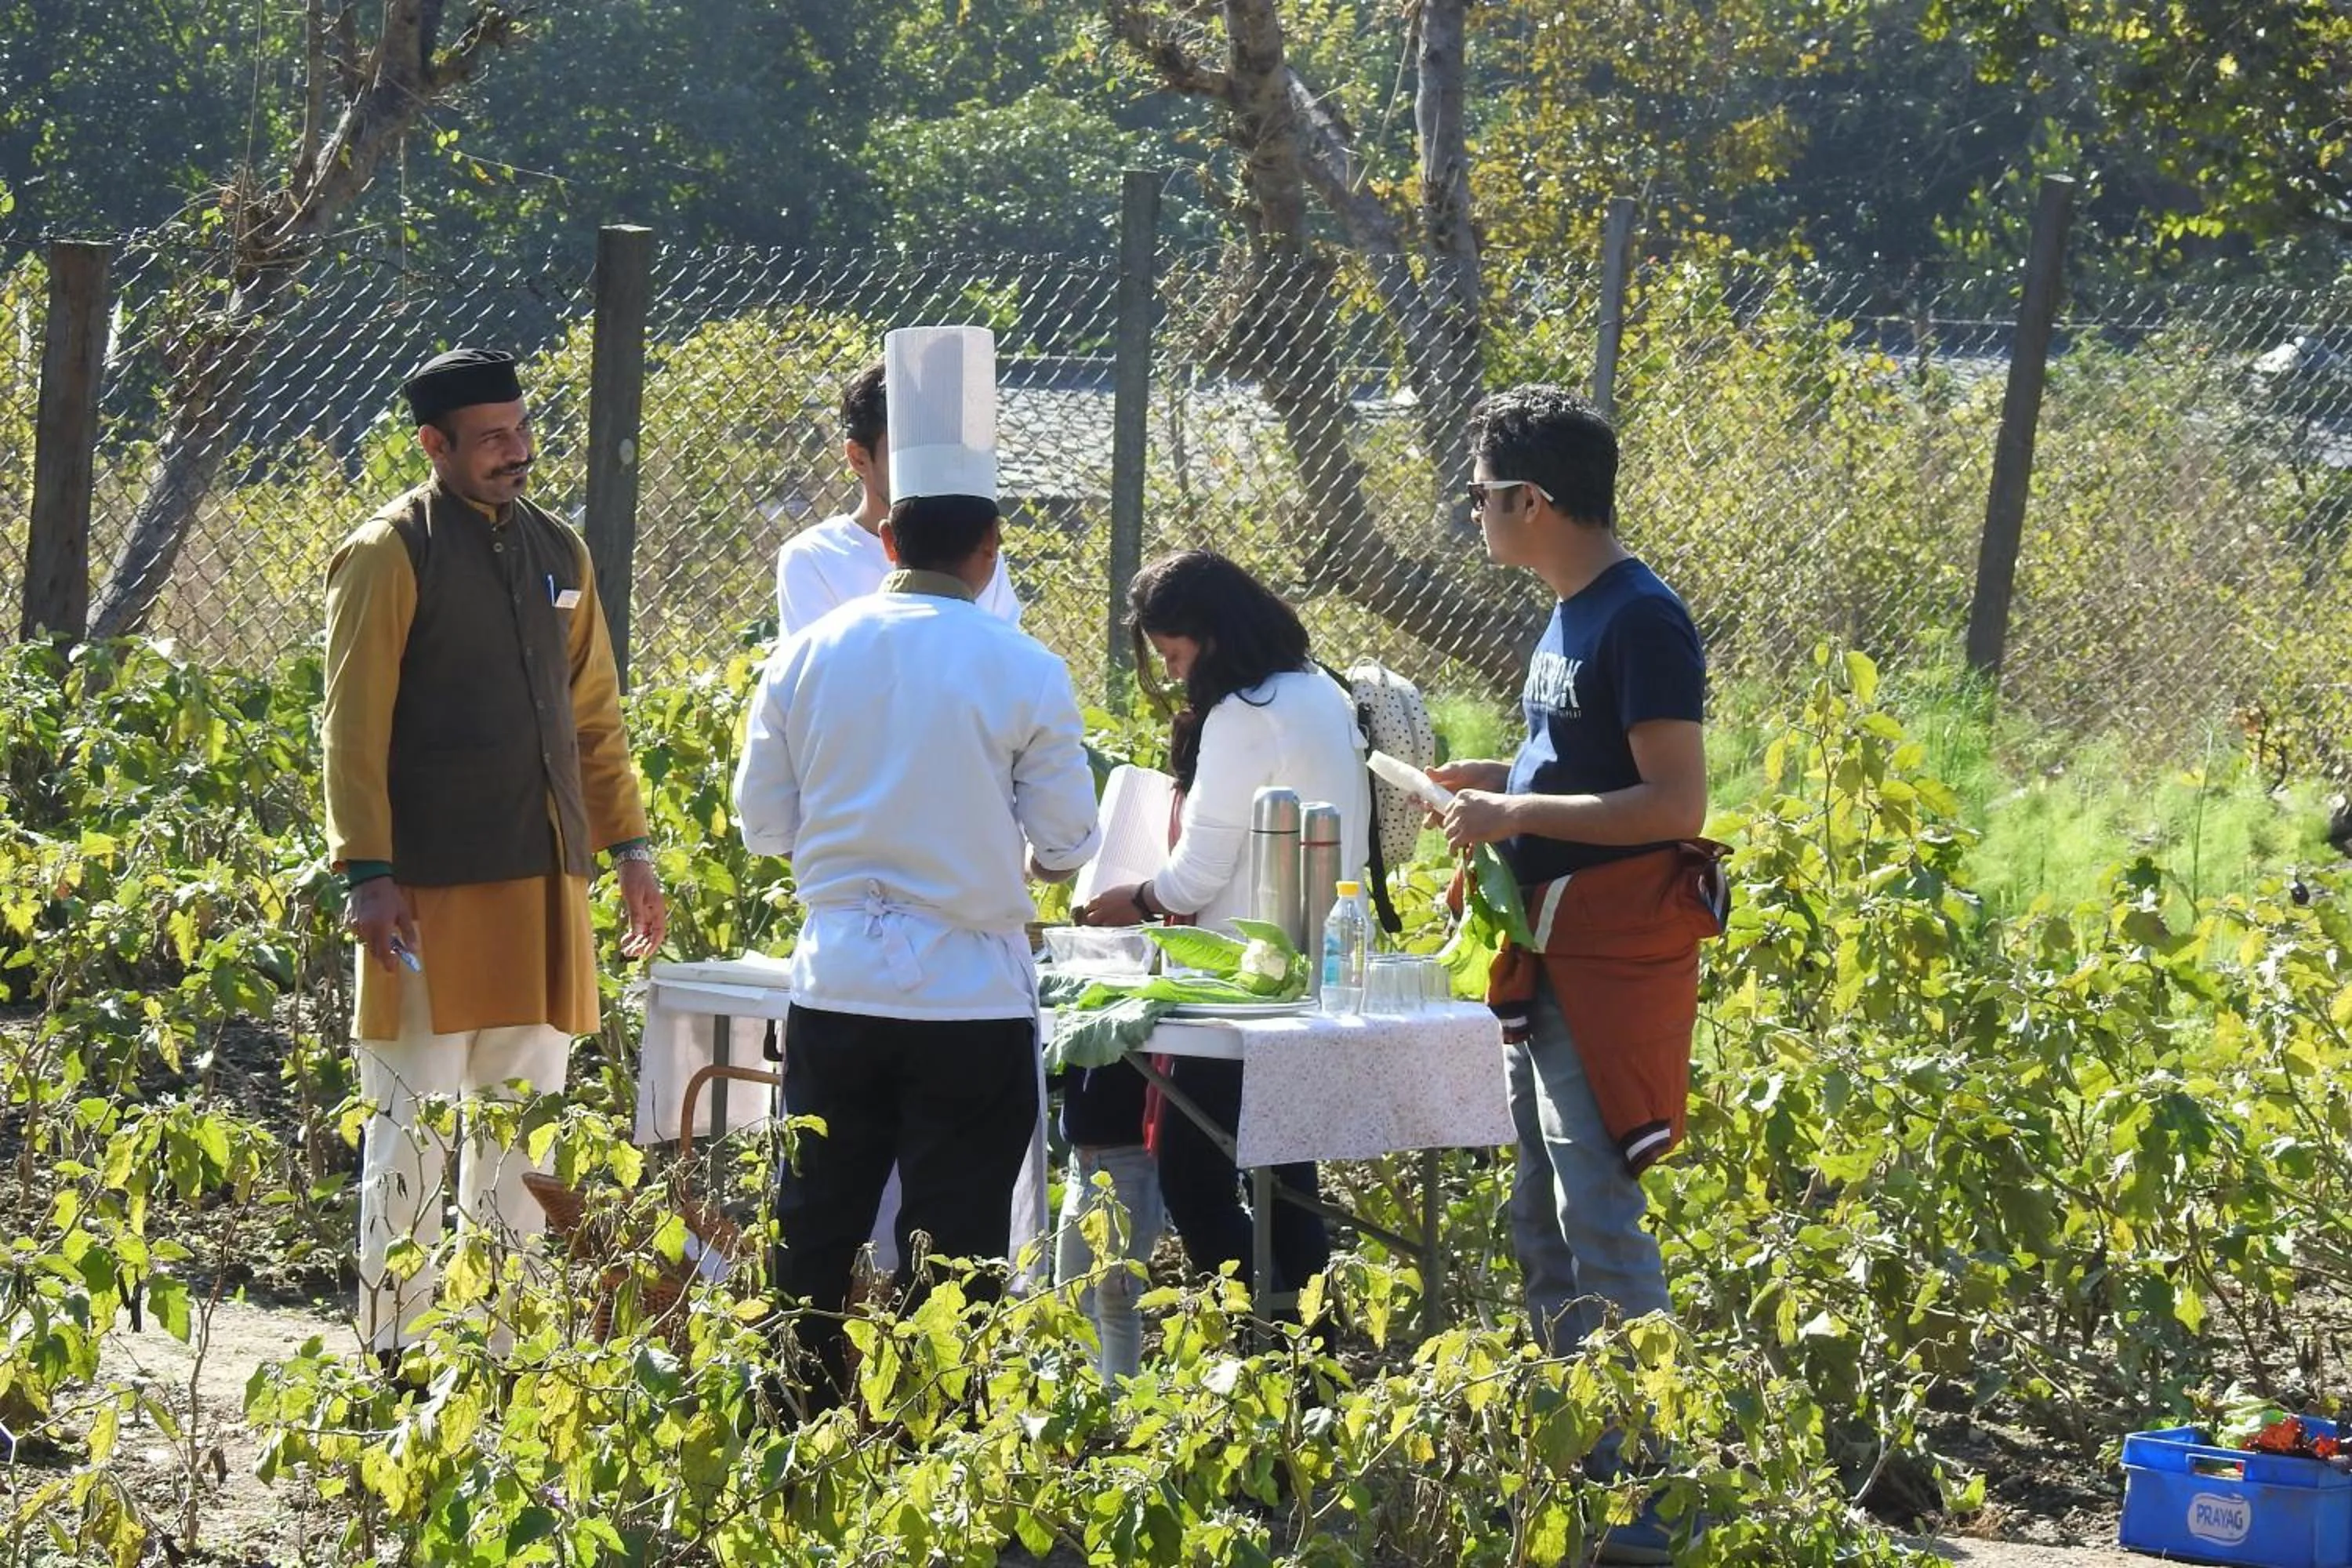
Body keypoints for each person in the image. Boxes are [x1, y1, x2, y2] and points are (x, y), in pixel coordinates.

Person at [735, 325, 1100, 1410]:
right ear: (989, 550)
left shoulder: (804, 655)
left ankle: (792, 1425)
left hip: (839, 979)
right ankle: (936, 1444)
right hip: (969, 995)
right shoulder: (1027, 666)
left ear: (887, 540)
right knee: (957, 1243)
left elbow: (764, 825)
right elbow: (1070, 845)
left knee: (814, 1226)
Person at [322, 347, 668, 1363]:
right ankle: (394, 1352)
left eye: (521, 431)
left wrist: (632, 850)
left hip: (545, 895)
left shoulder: (563, 552)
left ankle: (497, 1356)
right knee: (413, 1128)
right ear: (433, 447)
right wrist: (366, 875)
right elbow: (351, 728)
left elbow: (595, 720)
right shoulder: (391, 552)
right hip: (421, 898)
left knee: (524, 1133)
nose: (516, 453)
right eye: (491, 440)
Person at [1432, 384, 1715, 1565]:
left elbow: (1672, 801)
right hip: (1548, 946)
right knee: (1540, 1217)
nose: (1475, 515)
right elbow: (1586, 759)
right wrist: (1505, 778)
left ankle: (1647, 1511)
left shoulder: (1640, 618)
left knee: (1597, 1213)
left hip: (1611, 959)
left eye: (1484, 496)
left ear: (1532, 501)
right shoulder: (1566, 613)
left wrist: (1515, 807)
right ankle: (1581, 1474)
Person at [774, 358, 1029, 1284]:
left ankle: (824, 1408)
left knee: (831, 1211)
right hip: (933, 947)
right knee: (923, 1218)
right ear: (861, 461)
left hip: (865, 942)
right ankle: (876, 1412)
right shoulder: (815, 571)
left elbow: (769, 814)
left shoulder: (824, 649)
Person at [1075, 550, 1370, 1338]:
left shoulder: (1243, 711)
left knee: (1193, 1169)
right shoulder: (1323, 693)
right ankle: (1310, 1356)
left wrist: (1132, 898)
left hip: (1237, 979)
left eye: (1174, 655)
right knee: (1285, 1171)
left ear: (1209, 634)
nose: (1173, 676)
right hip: (1316, 964)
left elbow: (1198, 871)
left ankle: (1271, 1343)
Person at [775, 359, 1022, 633]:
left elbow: (1005, 656)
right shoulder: (813, 559)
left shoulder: (975, 550)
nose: (927, 465)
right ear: (858, 458)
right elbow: (822, 670)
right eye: (907, 451)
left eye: (938, 447)